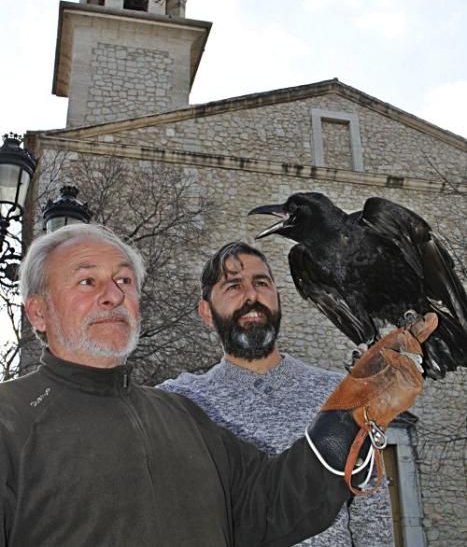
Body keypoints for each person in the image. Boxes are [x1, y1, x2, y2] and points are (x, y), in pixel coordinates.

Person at [0, 225, 428, 546]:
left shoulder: (181, 416)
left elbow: (271, 503)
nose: (113, 294)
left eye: (124, 280)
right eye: (87, 281)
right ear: (38, 312)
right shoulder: (10, 421)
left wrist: (354, 415)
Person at [160, 242, 399, 546]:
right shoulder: (178, 403)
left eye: (261, 283)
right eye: (233, 286)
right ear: (206, 312)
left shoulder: (341, 393)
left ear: (278, 298)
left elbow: (371, 516)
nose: (251, 296)